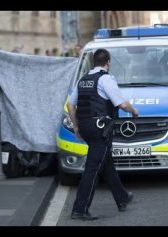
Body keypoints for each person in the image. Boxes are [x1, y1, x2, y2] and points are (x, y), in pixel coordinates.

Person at [67, 48, 138, 220]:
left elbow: (70, 105)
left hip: (85, 127)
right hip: (100, 129)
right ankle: (80, 209)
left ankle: (122, 198)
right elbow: (121, 104)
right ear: (108, 63)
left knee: (105, 162)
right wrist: (134, 112)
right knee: (92, 168)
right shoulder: (105, 79)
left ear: (93, 62)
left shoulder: (83, 80)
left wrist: (76, 127)